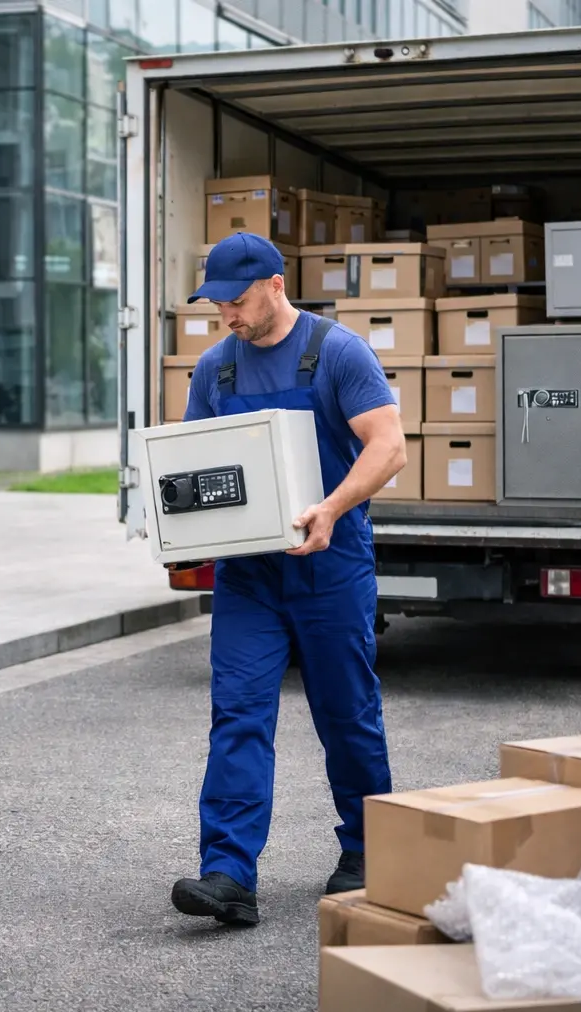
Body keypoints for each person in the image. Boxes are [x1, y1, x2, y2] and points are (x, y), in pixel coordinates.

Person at [168, 232, 405, 927]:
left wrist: (331, 509)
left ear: (274, 285)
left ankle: (368, 850)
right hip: (250, 576)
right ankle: (228, 873)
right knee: (238, 712)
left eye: (235, 303)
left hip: (331, 563)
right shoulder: (216, 369)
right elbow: (196, 465)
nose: (227, 318)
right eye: (217, 306)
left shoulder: (336, 353)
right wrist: (180, 530)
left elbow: (388, 446)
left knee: (346, 713)